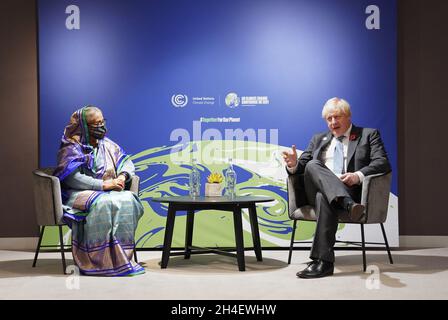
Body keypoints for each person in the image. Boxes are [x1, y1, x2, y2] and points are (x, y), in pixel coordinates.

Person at [282, 97, 391, 279]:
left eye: (337, 117)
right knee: (312, 165)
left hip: (348, 189)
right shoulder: (318, 139)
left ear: (348, 116)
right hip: (317, 188)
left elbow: (383, 162)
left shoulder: (368, 134)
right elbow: (302, 167)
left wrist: (357, 176)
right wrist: (293, 164)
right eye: (329, 119)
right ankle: (347, 204)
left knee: (324, 198)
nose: (333, 122)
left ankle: (323, 263)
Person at [53, 105, 145, 276]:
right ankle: (97, 260)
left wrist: (122, 177)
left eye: (103, 122)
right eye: (97, 124)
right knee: (104, 202)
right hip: (79, 194)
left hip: (110, 189)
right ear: (84, 127)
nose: (102, 127)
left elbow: (126, 162)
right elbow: (73, 178)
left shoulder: (108, 145)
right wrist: (103, 185)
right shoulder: (71, 148)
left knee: (128, 199)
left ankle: (122, 256)